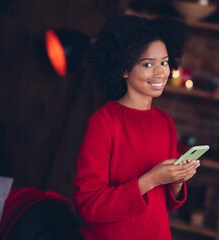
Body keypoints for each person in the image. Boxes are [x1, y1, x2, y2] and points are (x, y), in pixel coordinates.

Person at [73, 14, 200, 240]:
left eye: (164, 62)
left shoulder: (165, 122)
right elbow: (89, 206)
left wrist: (177, 180)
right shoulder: (103, 122)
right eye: (147, 64)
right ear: (123, 69)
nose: (161, 72)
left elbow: (166, 204)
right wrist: (150, 180)